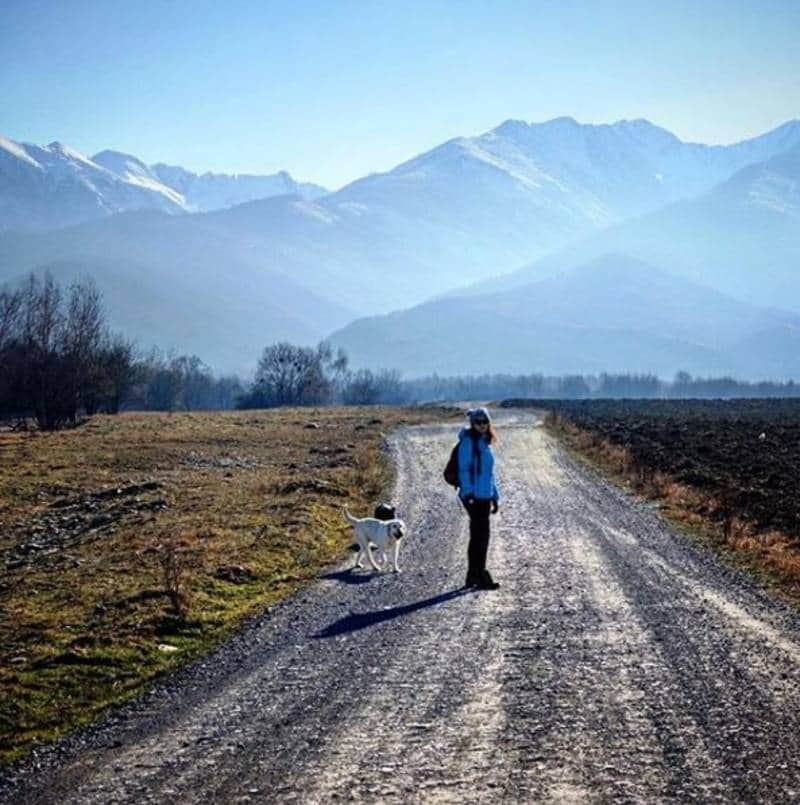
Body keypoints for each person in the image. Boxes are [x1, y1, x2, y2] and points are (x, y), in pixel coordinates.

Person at [457, 407, 501, 590]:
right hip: (474, 498)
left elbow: (489, 474)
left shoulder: (485, 442)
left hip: (484, 496)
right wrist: (469, 495)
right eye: (478, 422)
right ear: (472, 423)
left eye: (485, 421)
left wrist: (495, 496)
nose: (482, 425)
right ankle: (479, 574)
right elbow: (464, 470)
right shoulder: (468, 442)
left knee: (479, 537)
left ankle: (473, 575)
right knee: (480, 537)